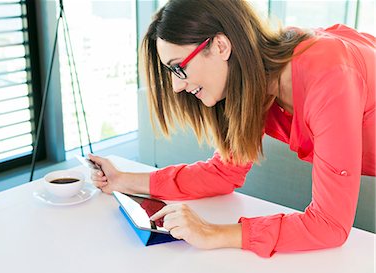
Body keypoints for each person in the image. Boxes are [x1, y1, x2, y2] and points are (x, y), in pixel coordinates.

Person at [89, 0, 375, 257]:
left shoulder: (328, 76)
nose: (176, 86)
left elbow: (329, 225)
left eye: (179, 68)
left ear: (221, 46)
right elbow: (223, 173)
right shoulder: (258, 78)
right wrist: (122, 180)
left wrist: (213, 233)